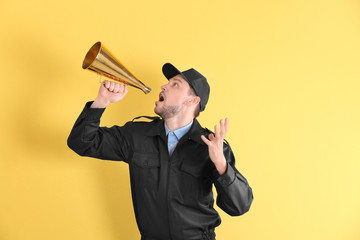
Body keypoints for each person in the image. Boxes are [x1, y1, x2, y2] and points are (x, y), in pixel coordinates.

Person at [67, 63, 253, 240]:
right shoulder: (136, 135)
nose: (164, 86)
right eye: (168, 82)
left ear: (192, 100)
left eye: (175, 84)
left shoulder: (211, 146)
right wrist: (102, 101)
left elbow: (240, 206)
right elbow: (81, 142)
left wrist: (221, 164)